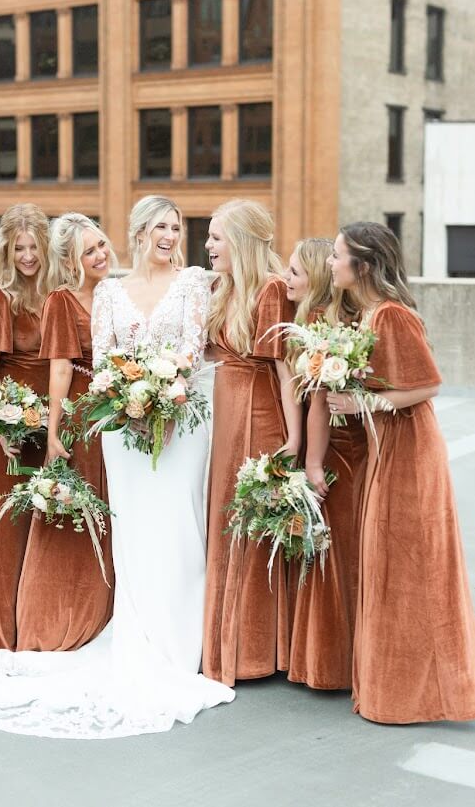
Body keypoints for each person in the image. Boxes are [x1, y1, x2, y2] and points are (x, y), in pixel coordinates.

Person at [0, 195, 234, 738]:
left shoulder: (197, 282)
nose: (169, 234)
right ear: (140, 230)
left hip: (182, 422)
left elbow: (199, 350)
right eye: (158, 225)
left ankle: (181, 643)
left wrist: (168, 396)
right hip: (122, 427)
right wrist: (126, 401)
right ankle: (137, 632)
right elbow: (100, 361)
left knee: (180, 525)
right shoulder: (109, 294)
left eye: (176, 226)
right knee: (134, 533)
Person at [326, 222, 475, 723]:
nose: (331, 262)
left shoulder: (391, 316)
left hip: (410, 449)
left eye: (337, 255)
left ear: (362, 265)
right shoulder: (368, 316)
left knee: (410, 566)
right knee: (386, 561)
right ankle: (392, 684)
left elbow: (428, 384)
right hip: (386, 446)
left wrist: (361, 400)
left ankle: (421, 692)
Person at [202, 199, 302, 687]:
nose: (208, 245)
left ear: (240, 242)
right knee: (224, 520)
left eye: (216, 237)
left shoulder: (271, 291)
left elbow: (287, 372)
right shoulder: (222, 289)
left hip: (257, 417)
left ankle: (253, 648)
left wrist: (296, 435)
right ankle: (225, 637)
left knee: (251, 523)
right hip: (222, 418)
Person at [16, 213, 114, 651]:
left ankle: (108, 610)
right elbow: (57, 368)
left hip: (116, 411)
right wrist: (54, 432)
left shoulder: (115, 293)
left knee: (110, 507)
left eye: (101, 245)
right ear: (71, 260)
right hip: (79, 412)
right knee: (74, 511)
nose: (100, 255)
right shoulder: (61, 299)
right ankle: (58, 616)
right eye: (89, 251)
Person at [283, 238, 367, 689]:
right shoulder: (307, 318)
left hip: (340, 448)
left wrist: (313, 462)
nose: (285, 279)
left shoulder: (326, 322)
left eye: (294, 271)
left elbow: (319, 400)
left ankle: (338, 660)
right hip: (323, 444)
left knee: (337, 551)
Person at [0, 204, 50, 651]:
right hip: (12, 425)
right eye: (18, 247)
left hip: (53, 419)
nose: (26, 256)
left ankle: (39, 625)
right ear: (7, 248)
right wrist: (6, 422)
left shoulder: (59, 291)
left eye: (33, 246)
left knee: (49, 520)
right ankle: (1, 634)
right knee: (7, 527)